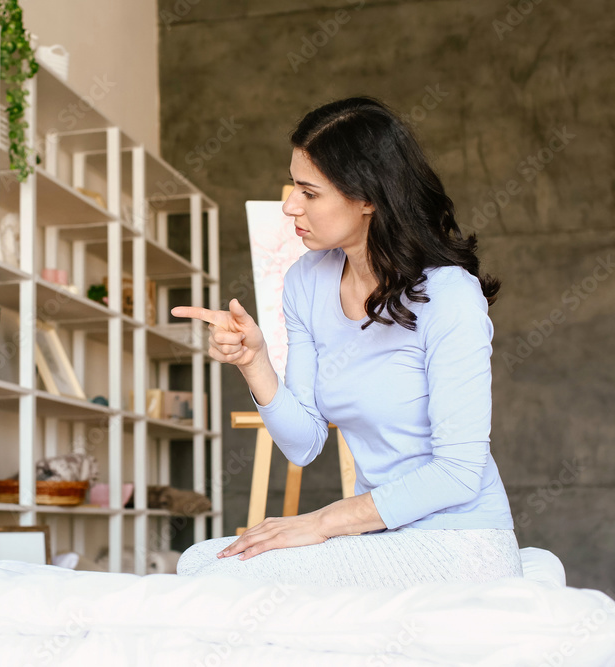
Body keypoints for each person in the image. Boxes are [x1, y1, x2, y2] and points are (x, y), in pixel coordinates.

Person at [172, 97, 523, 588]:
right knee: (197, 561)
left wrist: (319, 523)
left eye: (309, 192)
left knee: (221, 576)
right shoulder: (306, 282)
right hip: (379, 533)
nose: (290, 205)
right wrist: (256, 363)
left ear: (368, 198)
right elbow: (304, 444)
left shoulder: (449, 297)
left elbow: (458, 472)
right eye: (294, 185)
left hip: (460, 538)